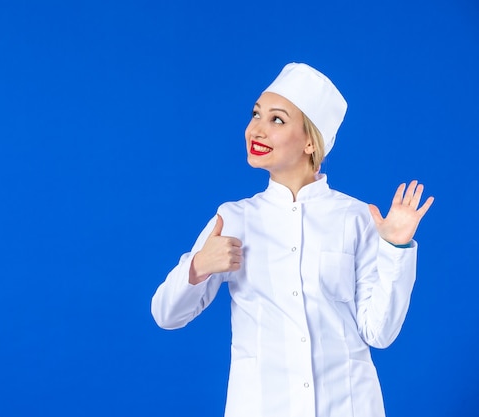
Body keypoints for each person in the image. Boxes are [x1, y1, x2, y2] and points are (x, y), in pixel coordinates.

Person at [150, 63, 434, 417]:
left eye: (277, 120)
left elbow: (379, 333)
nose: (257, 129)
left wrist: (395, 248)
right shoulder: (235, 218)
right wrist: (199, 267)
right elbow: (166, 314)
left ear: (311, 141)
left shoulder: (356, 217)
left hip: (348, 406)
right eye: (256, 114)